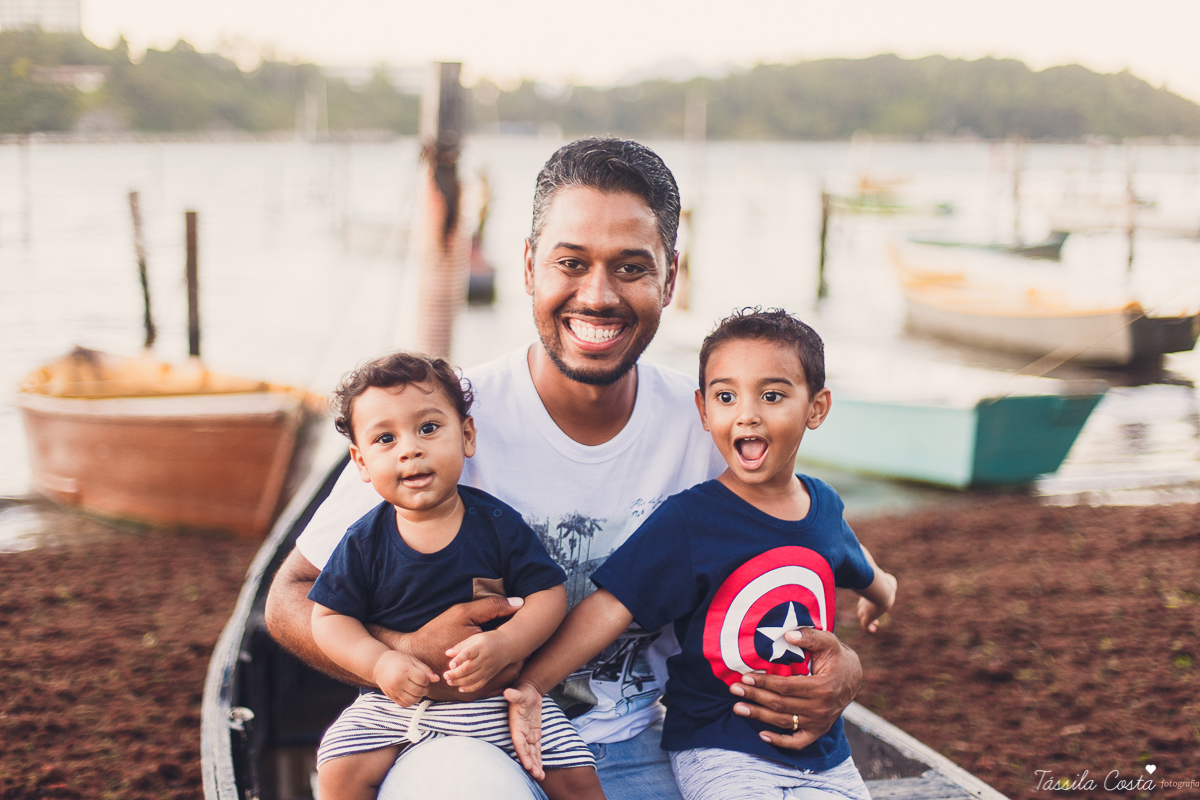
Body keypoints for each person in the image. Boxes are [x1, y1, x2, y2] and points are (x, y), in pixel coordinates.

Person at [264, 137, 864, 800]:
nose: (598, 295)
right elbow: (290, 596)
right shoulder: (437, 421)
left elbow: (790, 563)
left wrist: (845, 669)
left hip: (652, 743)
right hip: (464, 737)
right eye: (570, 262)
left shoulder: (714, 428)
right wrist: (399, 652)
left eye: (632, 267)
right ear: (528, 267)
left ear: (671, 277)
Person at [505, 309, 898, 800]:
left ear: (816, 408)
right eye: (726, 396)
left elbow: (855, 559)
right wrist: (534, 686)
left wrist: (882, 594)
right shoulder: (690, 519)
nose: (747, 414)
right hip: (720, 742)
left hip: (823, 746)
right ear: (704, 409)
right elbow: (610, 606)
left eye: (771, 396)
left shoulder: (822, 506)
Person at [307, 352, 603, 800]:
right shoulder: (363, 542)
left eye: (428, 428)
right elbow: (328, 619)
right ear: (361, 462)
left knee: (577, 776)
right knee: (336, 767)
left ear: (466, 435)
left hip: (499, 703)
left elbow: (548, 594)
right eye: (385, 438)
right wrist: (380, 661)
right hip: (398, 705)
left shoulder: (497, 524)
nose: (410, 448)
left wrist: (507, 642)